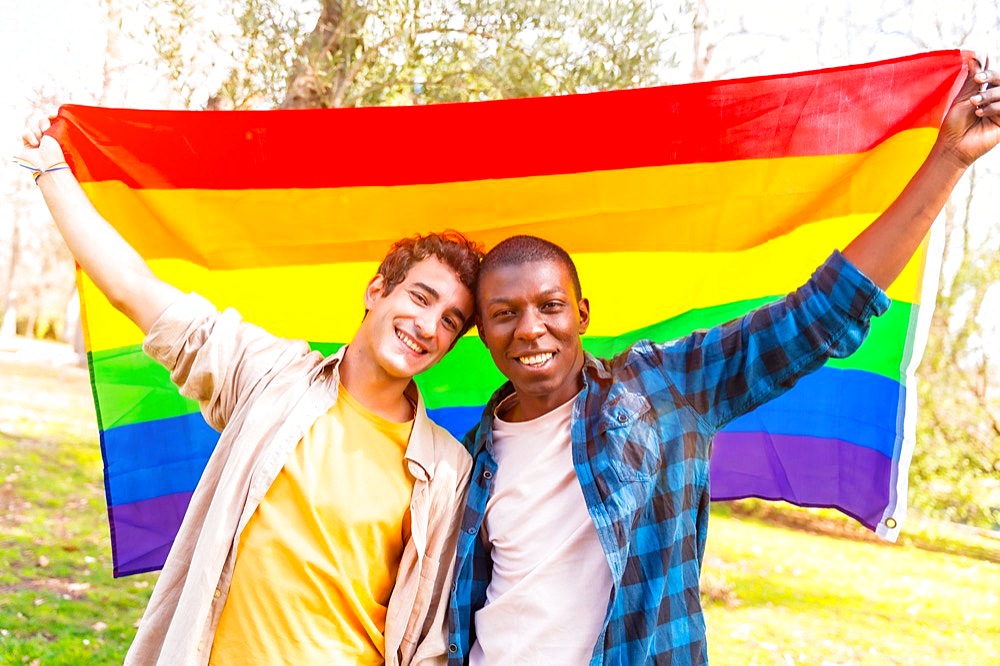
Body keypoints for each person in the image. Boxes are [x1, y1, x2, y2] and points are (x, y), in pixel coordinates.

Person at [446, 59, 1000, 665]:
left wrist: (948, 159)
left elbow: (822, 313)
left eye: (549, 305)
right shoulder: (472, 455)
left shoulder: (663, 387)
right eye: (504, 313)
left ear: (582, 314)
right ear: (482, 333)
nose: (530, 328)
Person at [20, 117, 483, 665]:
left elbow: (428, 633)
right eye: (420, 298)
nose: (428, 326)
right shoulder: (271, 374)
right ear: (377, 290)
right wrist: (49, 170)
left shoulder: (446, 469)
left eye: (451, 321)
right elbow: (133, 291)